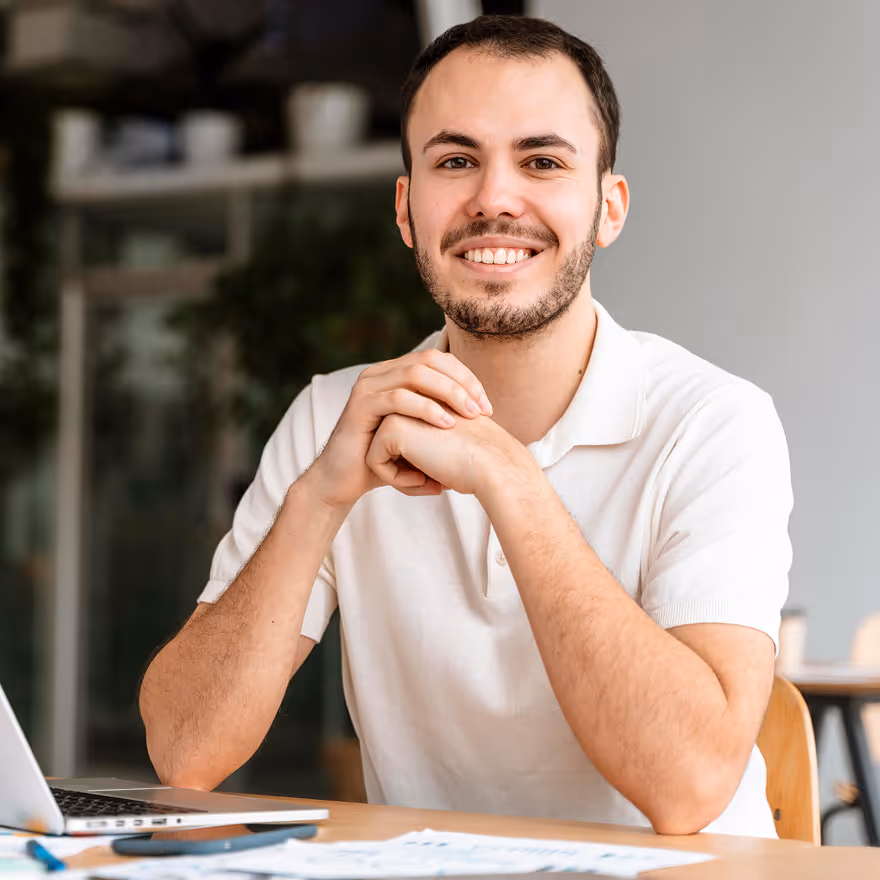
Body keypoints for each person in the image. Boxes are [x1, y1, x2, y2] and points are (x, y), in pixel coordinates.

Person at [140, 15, 792, 837]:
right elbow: (184, 750)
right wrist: (318, 500)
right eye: (456, 161)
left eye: (543, 162)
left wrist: (508, 476)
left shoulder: (715, 424)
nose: (494, 199)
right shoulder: (334, 417)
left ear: (608, 207)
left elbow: (691, 787)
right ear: (408, 210)